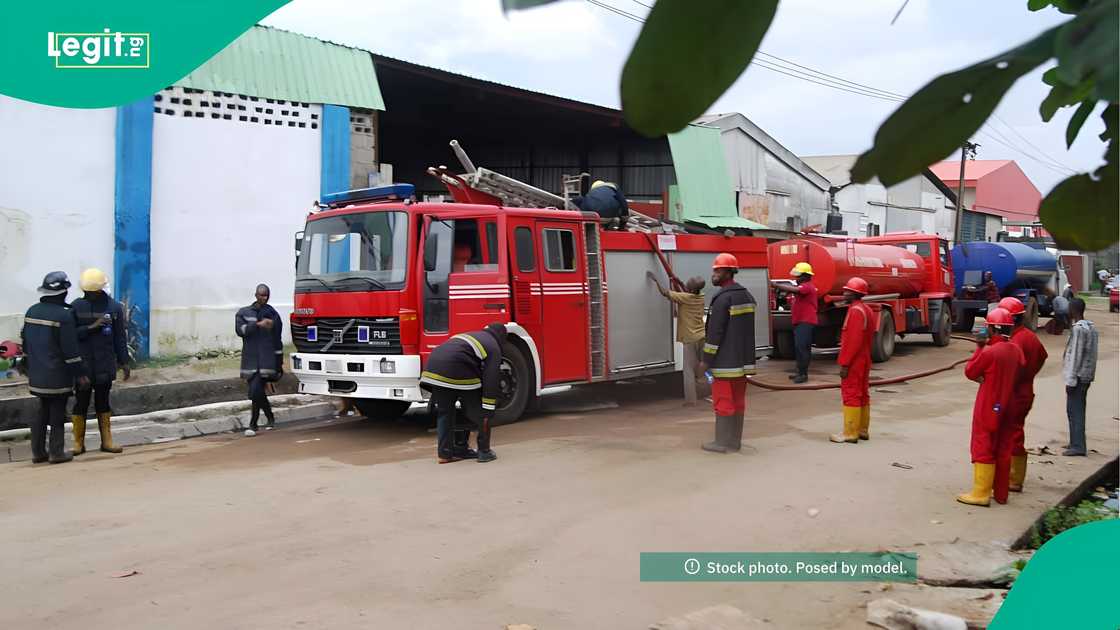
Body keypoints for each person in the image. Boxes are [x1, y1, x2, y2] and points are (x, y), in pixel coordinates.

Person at [957, 308, 1024, 507]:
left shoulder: (990, 353)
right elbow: (1021, 367)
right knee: (1004, 448)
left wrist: (979, 347)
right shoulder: (1015, 350)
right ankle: (1001, 494)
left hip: (989, 403)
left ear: (992, 329)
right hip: (1008, 404)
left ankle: (981, 493)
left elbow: (970, 371)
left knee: (983, 444)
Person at [21, 272, 87, 464]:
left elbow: (26, 343)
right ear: (63, 293)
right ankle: (56, 452)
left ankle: (38, 452)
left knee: (42, 410)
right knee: (57, 413)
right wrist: (81, 374)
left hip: (37, 372)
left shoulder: (31, 311)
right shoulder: (64, 316)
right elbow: (71, 351)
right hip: (57, 374)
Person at [420, 323, 506, 463]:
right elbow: (491, 378)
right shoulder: (493, 345)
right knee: (478, 412)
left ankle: (446, 454)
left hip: (433, 367)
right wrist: (489, 406)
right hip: (457, 368)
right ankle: (484, 452)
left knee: (445, 412)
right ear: (502, 338)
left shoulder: (471, 335)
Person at [697, 253, 757, 453]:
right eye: (714, 270)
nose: (714, 274)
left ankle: (721, 443)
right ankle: (734, 442)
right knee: (738, 402)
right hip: (743, 364)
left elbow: (715, 333)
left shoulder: (722, 299)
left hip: (723, 364)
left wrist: (706, 361)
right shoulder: (747, 295)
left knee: (722, 400)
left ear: (729, 272)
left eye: (718, 270)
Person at [70, 268, 130, 455]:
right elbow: (71, 336)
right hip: (84, 365)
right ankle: (78, 443)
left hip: (104, 363)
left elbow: (120, 337)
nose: (88, 294)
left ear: (98, 290)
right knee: (81, 402)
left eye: (90, 291)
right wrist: (91, 327)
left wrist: (124, 361)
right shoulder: (76, 307)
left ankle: (107, 441)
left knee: (103, 402)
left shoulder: (114, 308)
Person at [995, 297, 1047, 496]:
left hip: (1015, 394)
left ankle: (1015, 479)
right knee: (1015, 431)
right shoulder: (1029, 336)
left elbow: (1010, 370)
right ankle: (1012, 475)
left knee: (1012, 434)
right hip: (1025, 391)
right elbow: (1042, 357)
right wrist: (1030, 374)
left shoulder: (1016, 341)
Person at [648, 272, 707, 404]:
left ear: (690, 289)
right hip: (702, 336)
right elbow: (686, 293)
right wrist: (679, 283)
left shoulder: (685, 298)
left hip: (690, 338)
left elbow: (665, 293)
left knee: (688, 370)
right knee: (699, 365)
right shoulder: (700, 296)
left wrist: (656, 280)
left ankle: (691, 400)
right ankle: (704, 385)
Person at [235, 284, 283, 437]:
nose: (264, 298)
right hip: (250, 359)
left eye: (267, 295)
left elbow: (277, 339)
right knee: (256, 392)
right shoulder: (243, 312)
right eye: (262, 295)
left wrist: (279, 362)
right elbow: (240, 331)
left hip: (266, 360)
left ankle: (253, 424)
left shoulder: (272, 314)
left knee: (255, 390)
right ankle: (269, 417)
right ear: (255, 295)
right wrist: (257, 325)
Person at [830, 278, 874, 444]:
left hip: (854, 360)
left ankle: (850, 432)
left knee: (851, 394)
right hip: (864, 358)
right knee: (862, 393)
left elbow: (853, 341)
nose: (844, 293)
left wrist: (845, 364)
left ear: (855, 293)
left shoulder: (855, 311)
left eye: (847, 291)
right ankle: (862, 429)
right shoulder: (866, 309)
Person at [1062, 298, 1097, 457]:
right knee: (1076, 409)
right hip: (1086, 375)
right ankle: (1075, 441)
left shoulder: (1078, 330)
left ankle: (1078, 445)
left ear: (1073, 310)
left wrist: (1070, 379)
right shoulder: (1091, 327)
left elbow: (1076, 355)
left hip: (1077, 376)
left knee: (1074, 410)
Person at [771, 262, 818, 383]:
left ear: (806, 276)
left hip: (805, 322)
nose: (796, 279)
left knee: (802, 348)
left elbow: (794, 290)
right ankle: (799, 372)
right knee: (799, 347)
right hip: (800, 322)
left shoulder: (807, 286)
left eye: (798, 276)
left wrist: (775, 284)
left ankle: (803, 374)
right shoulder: (803, 288)